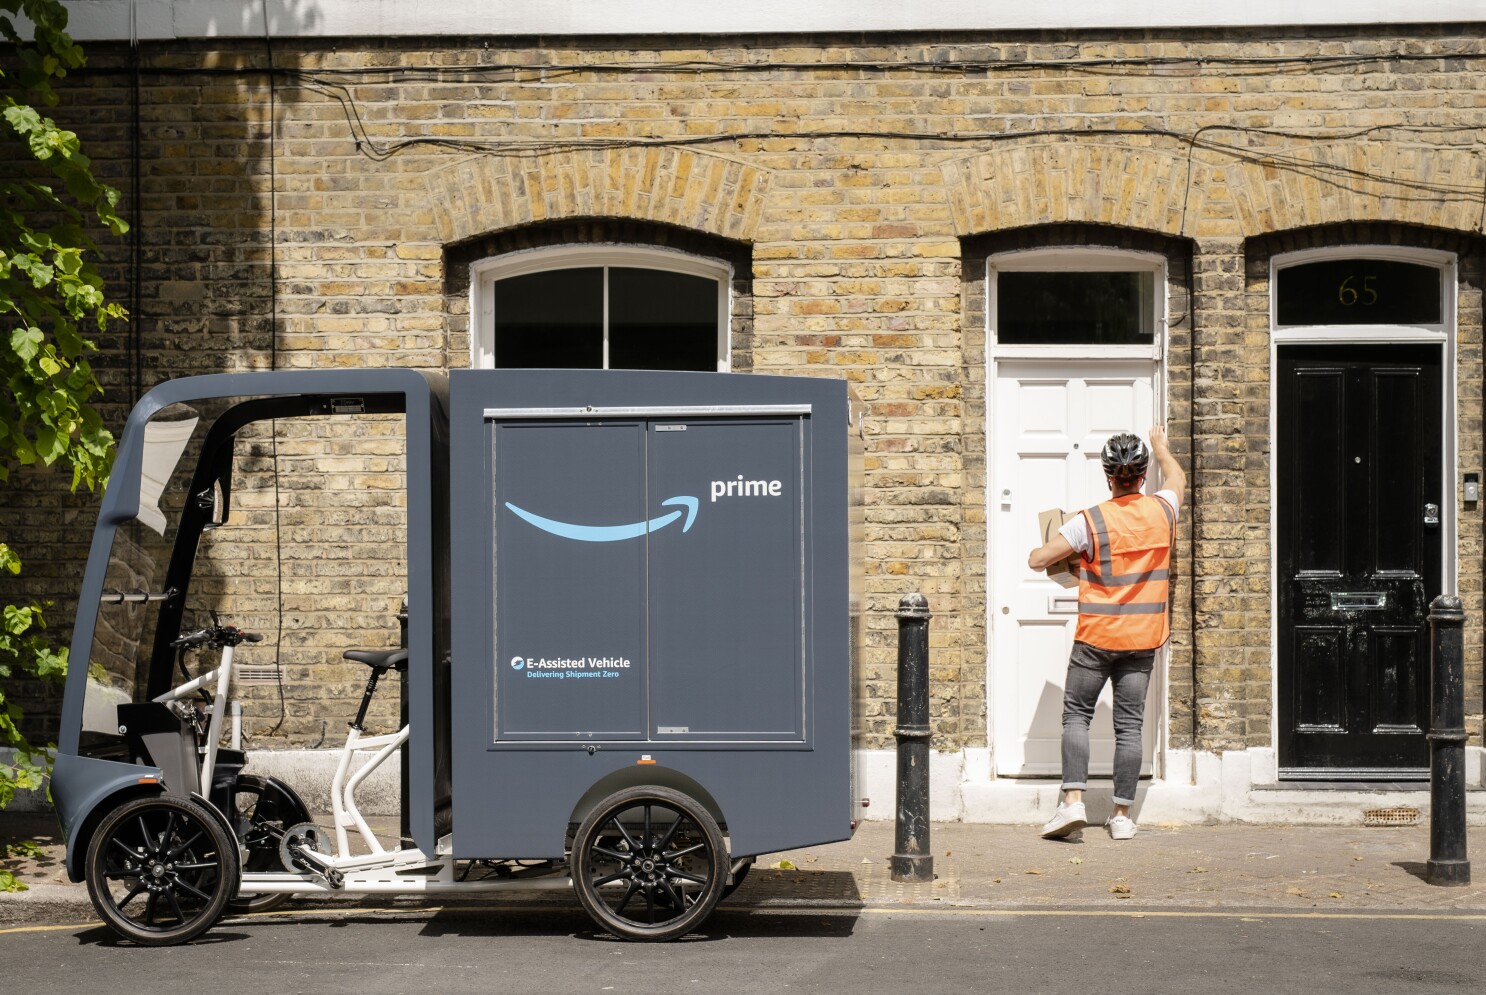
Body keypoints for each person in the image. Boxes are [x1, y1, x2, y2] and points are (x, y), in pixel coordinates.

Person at [1026, 426, 1185, 841]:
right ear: (1143, 473)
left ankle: (1073, 804)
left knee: (1076, 715)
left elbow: (1038, 559)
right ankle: (1121, 817)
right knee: (1129, 726)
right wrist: (1163, 447)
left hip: (1096, 639)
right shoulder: (1164, 510)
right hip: (1143, 639)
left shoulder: (1090, 520)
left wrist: (1076, 558)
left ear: (1108, 476)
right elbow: (1178, 480)